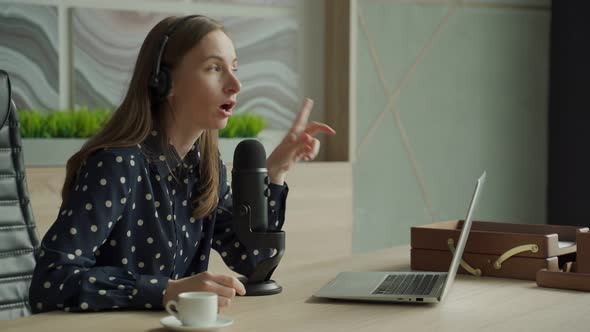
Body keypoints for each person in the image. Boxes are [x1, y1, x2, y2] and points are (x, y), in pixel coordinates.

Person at [29, 14, 335, 313]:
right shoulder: (117, 165)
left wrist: (274, 173)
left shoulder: (205, 166)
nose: (235, 84)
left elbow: (253, 258)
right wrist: (165, 290)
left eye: (234, 68)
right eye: (215, 68)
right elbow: (51, 281)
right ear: (165, 82)